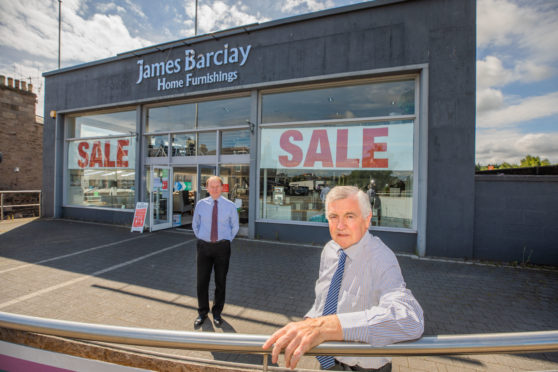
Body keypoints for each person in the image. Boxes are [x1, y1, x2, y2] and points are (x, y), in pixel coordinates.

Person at [263, 186, 423, 371]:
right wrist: (310, 323)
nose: (340, 226)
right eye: (333, 217)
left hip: (365, 366)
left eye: (349, 216)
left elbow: (410, 319)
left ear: (367, 219)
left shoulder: (381, 258)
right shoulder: (331, 250)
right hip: (329, 360)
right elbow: (324, 299)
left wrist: (328, 327)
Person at [192, 176, 239, 328]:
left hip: (222, 248)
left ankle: (217, 313)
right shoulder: (200, 204)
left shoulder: (230, 206)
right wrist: (202, 237)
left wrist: (226, 240)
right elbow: (195, 224)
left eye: (217, 186)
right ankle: (202, 312)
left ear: (222, 187)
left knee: (220, 281)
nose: (214, 189)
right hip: (204, 247)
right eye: (211, 186)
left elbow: (235, 226)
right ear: (207, 188)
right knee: (202, 281)